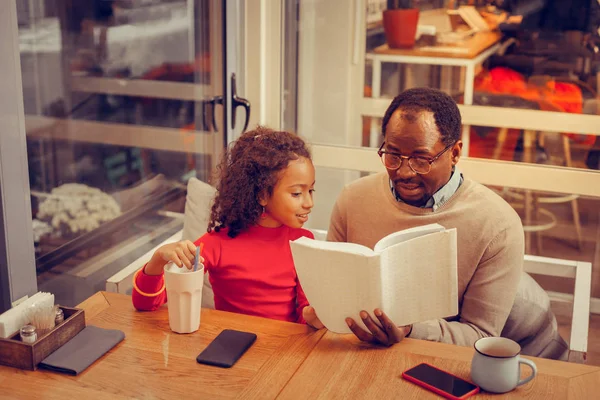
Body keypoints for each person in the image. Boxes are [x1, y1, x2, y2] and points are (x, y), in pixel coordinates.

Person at [303, 88, 567, 359]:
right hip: (402, 351)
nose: (404, 172)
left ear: (454, 153)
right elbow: (335, 293)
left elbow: (480, 335)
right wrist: (325, 311)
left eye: (421, 159)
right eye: (393, 155)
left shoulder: (498, 224)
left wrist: (409, 328)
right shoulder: (353, 200)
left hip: (527, 350)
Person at [132, 127, 316, 323]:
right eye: (297, 193)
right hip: (229, 348)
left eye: (311, 191)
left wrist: (314, 317)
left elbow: (305, 317)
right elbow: (146, 304)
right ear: (262, 195)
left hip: (282, 349)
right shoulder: (215, 245)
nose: (309, 203)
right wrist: (158, 259)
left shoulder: (304, 242)